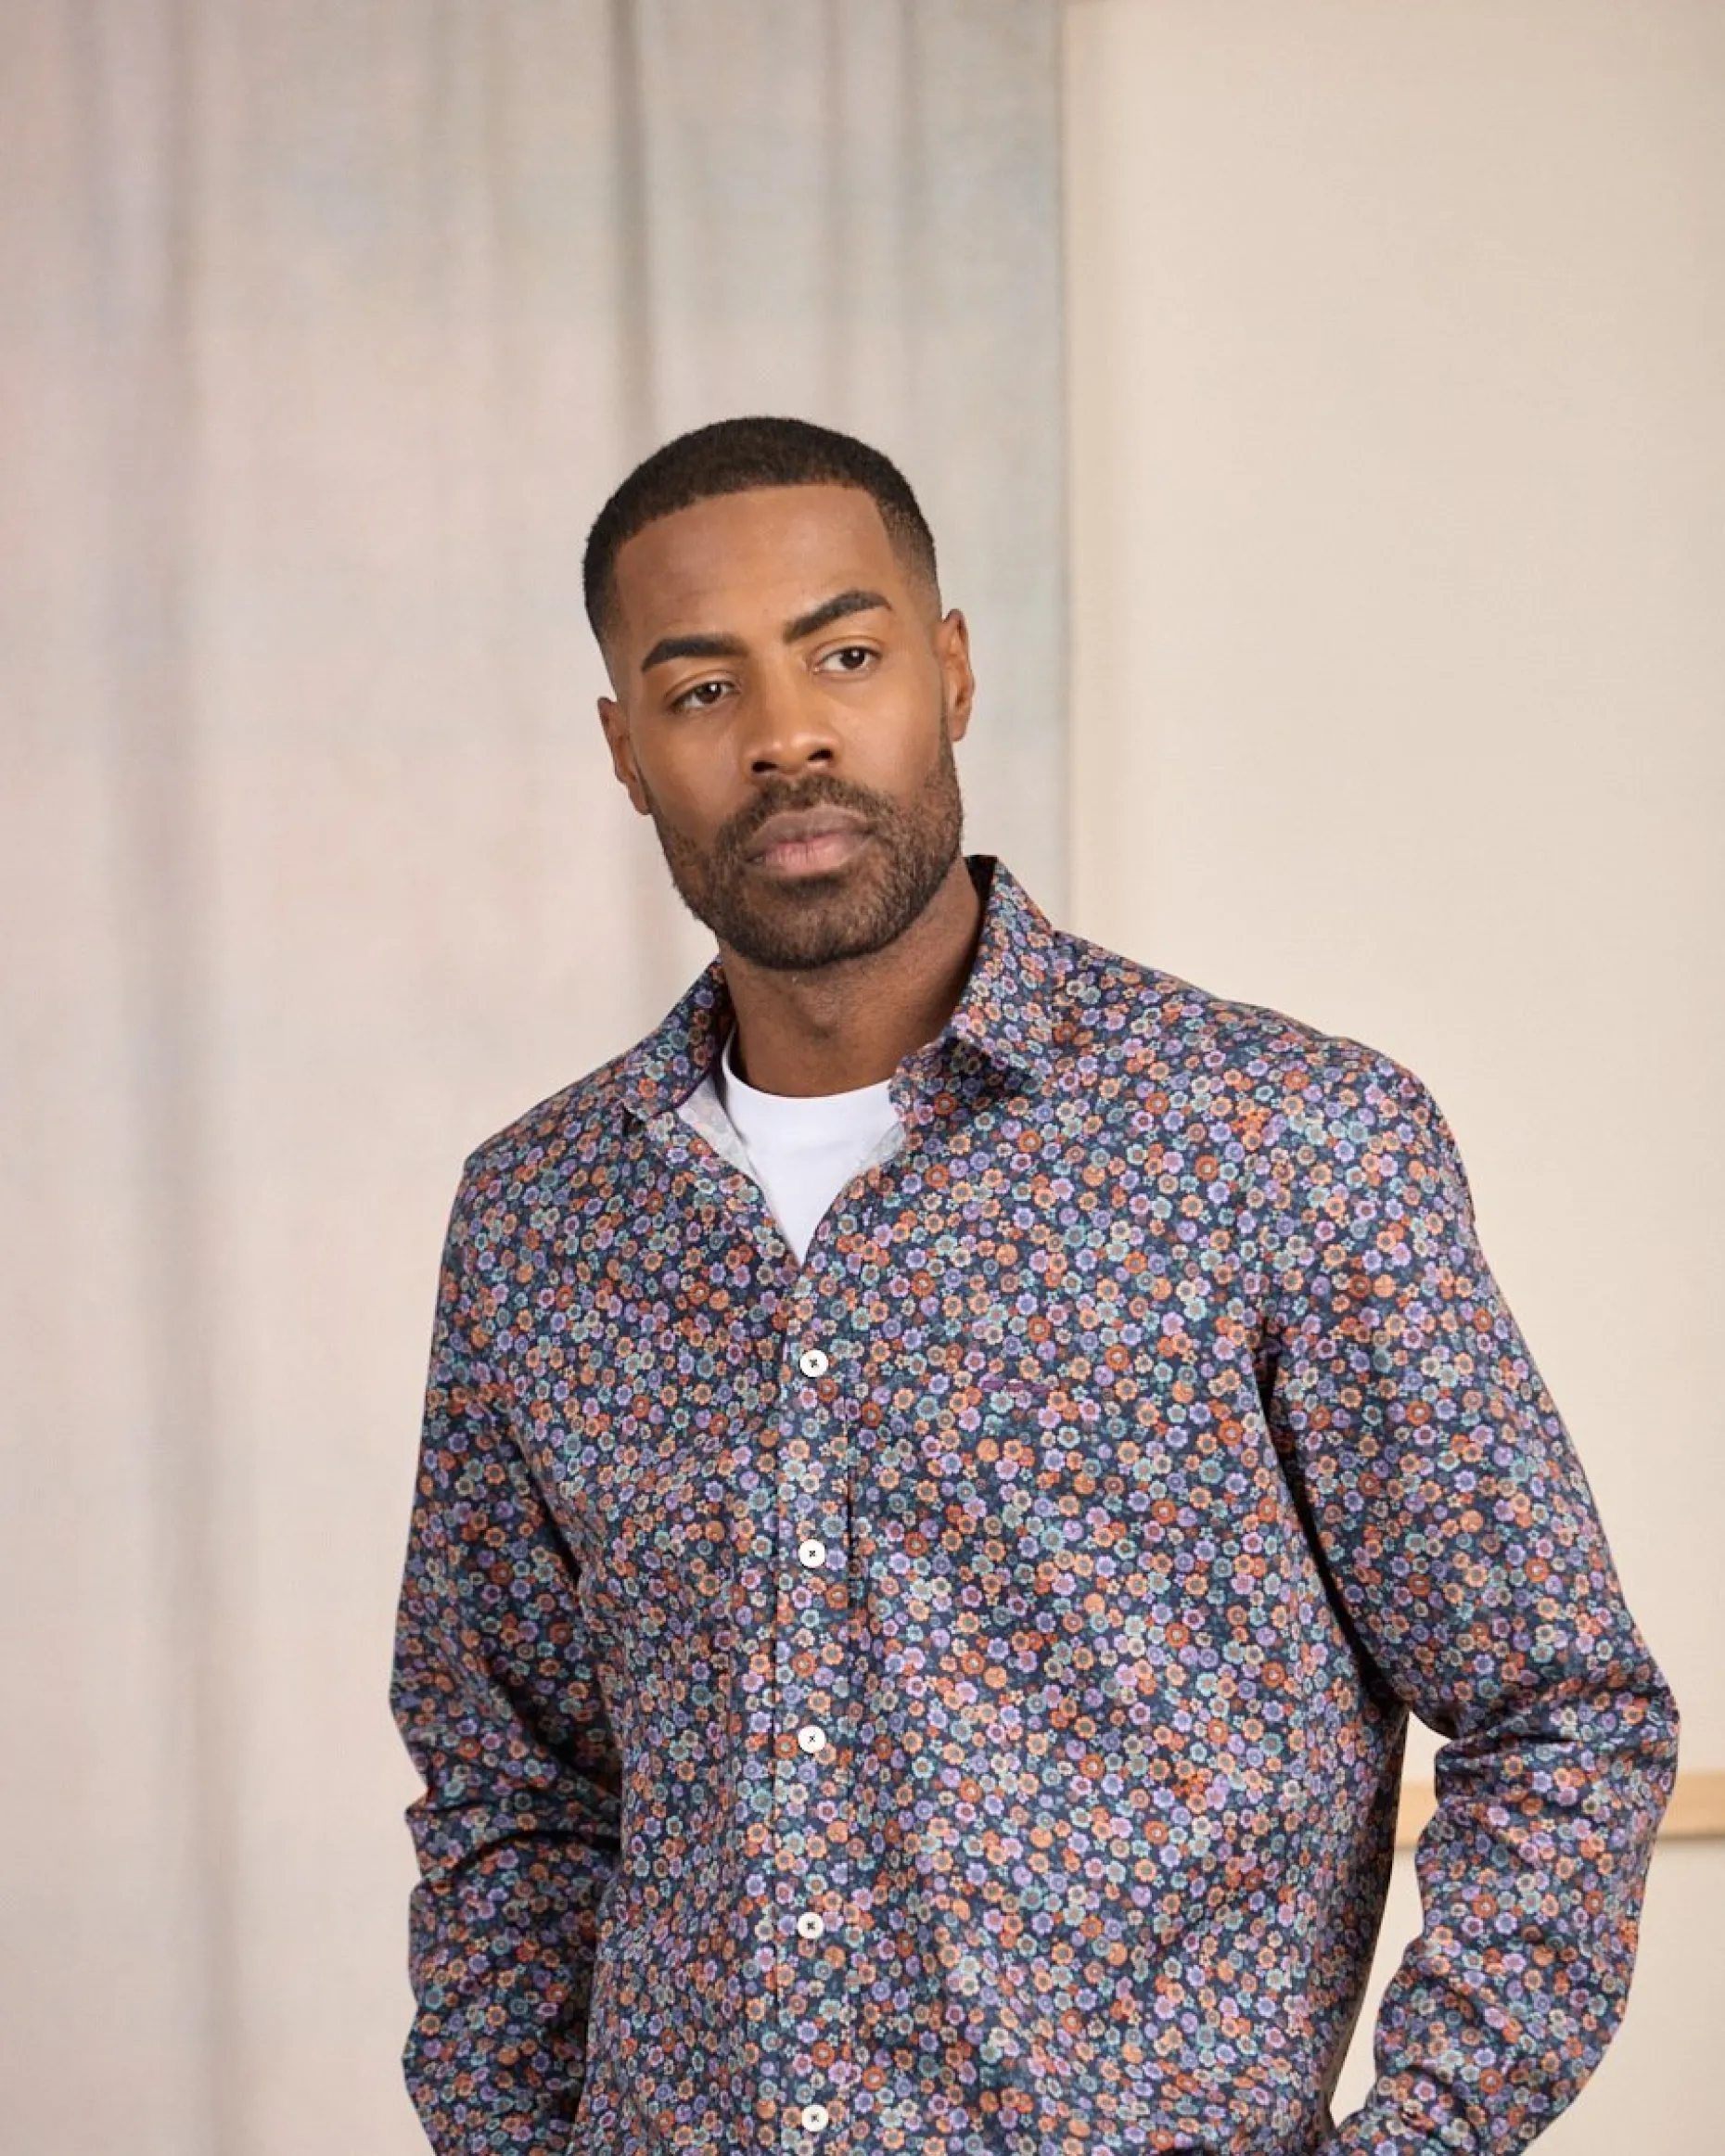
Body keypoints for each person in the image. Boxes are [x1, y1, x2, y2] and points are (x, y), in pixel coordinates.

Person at [390, 415, 1677, 2156]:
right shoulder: (541, 1221)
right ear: (625, 749)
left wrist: (1420, 2138)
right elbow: (511, 1797)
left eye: (846, 657)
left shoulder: (1278, 1144)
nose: (786, 735)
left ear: (952, 670)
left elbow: (1560, 1714)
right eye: (702, 691)